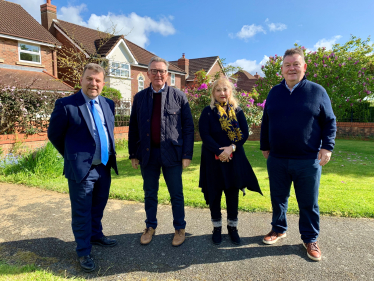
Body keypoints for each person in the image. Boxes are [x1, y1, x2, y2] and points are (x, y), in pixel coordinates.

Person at [260, 48, 336, 261]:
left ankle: (310, 238)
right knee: (278, 198)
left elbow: (330, 121)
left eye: (296, 64)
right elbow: (267, 121)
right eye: (287, 65)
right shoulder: (274, 92)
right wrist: (265, 146)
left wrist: (327, 147)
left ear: (304, 67)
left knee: (308, 202)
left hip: (307, 160)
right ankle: (278, 228)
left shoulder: (317, 91)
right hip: (277, 158)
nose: (291, 68)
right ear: (282, 69)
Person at [48, 63, 118, 272]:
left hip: (104, 167)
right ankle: (83, 251)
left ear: (103, 83)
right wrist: (72, 156)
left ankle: (96, 235)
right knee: (81, 212)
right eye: (89, 79)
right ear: (81, 80)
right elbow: (55, 135)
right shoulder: (66, 105)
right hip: (82, 170)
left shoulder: (108, 104)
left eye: (97, 80)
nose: (93, 83)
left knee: (98, 206)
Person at [128, 56, 194, 247]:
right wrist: (133, 153)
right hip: (148, 154)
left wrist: (187, 154)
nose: (158, 74)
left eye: (162, 71)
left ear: (167, 74)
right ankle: (150, 226)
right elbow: (133, 128)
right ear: (148, 73)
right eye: (154, 71)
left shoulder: (179, 96)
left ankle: (180, 228)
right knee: (150, 193)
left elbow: (188, 128)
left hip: (172, 153)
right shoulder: (140, 98)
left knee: (176, 194)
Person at [198, 77, 262, 245]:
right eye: (218, 90)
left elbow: (245, 134)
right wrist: (221, 152)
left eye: (225, 89)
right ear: (213, 93)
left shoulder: (238, 111)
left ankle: (233, 228)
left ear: (230, 92)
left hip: (234, 159)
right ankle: (217, 228)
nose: (222, 93)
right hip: (213, 159)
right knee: (214, 195)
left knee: (232, 194)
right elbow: (205, 135)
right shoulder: (207, 112)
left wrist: (230, 149)